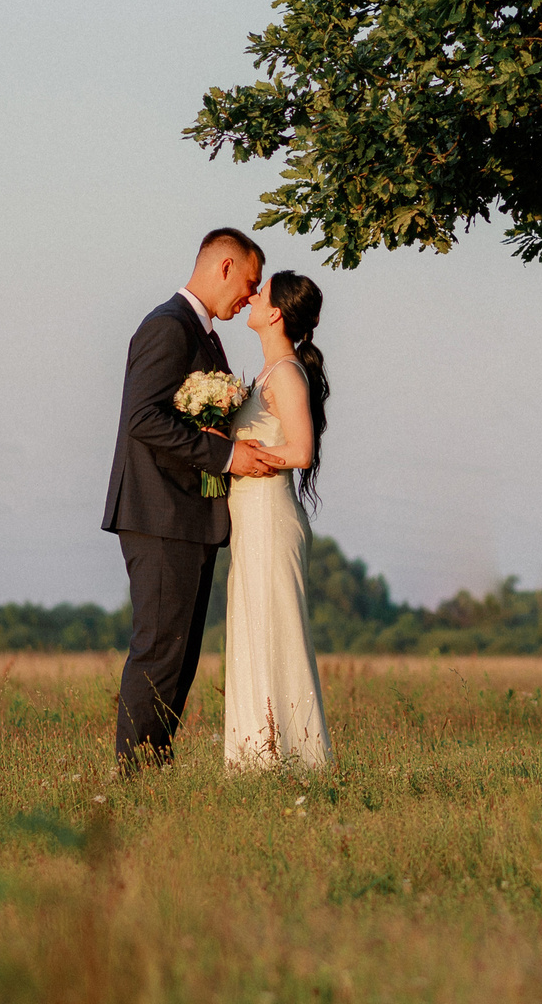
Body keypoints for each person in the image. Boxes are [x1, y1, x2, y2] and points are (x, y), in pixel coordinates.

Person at [102, 227, 281, 772]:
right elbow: (143, 419)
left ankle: (153, 769)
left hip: (189, 517)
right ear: (224, 267)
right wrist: (225, 458)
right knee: (159, 650)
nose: (251, 296)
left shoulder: (200, 332)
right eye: (249, 282)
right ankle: (135, 777)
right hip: (160, 515)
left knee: (179, 655)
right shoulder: (167, 326)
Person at [221, 269, 333, 769]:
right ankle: (256, 757)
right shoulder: (268, 373)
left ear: (275, 314)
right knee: (252, 631)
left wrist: (249, 452)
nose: (251, 295)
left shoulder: (287, 373)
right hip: (250, 518)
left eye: (260, 293)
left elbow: (303, 451)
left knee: (274, 632)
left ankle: (292, 757)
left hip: (269, 514)